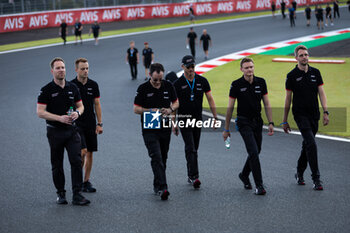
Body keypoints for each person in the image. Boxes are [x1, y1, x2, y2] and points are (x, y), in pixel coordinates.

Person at [37, 57, 90, 205]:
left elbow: (81, 106)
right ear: (52, 71)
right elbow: (40, 112)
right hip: (55, 132)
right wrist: (59, 118)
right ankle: (61, 193)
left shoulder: (73, 87)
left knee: (76, 160)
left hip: (72, 131)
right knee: (57, 164)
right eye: (58, 68)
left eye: (63, 67)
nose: (61, 70)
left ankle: (77, 194)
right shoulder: (46, 90)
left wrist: (77, 113)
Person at [222, 57, 274, 195]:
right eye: (246, 68)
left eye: (251, 67)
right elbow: (230, 108)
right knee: (253, 152)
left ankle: (244, 174)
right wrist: (226, 129)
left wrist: (270, 122)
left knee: (257, 150)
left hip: (257, 121)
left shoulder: (261, 82)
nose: (249, 70)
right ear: (241, 70)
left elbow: (267, 104)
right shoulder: (236, 85)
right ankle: (259, 185)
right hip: (243, 122)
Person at [282, 45, 329, 191]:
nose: (304, 57)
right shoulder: (291, 76)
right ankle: (316, 179)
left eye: (306, 55)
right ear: (296, 58)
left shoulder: (316, 72)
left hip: (314, 114)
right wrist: (285, 120)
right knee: (311, 144)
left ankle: (299, 172)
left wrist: (326, 112)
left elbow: (321, 93)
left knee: (307, 145)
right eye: (301, 55)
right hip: (300, 115)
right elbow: (288, 99)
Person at [133, 63, 179, 200]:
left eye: (160, 79)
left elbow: (176, 103)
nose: (158, 82)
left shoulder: (168, 86)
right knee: (156, 156)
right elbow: (136, 109)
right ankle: (163, 187)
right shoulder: (143, 88)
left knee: (163, 158)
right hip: (149, 128)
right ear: (150, 75)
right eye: (155, 80)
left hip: (165, 127)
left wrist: (170, 111)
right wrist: (149, 110)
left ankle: (157, 184)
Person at [173, 55, 218, 189]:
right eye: (188, 67)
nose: (191, 69)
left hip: (198, 120)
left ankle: (190, 174)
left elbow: (210, 98)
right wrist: (174, 123)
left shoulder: (202, 81)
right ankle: (194, 176)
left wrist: (215, 117)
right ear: (183, 67)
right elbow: (174, 104)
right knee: (191, 147)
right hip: (184, 119)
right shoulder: (177, 84)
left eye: (193, 66)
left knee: (194, 149)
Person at [70, 58, 103, 193]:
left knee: (90, 153)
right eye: (83, 68)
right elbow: (68, 105)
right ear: (76, 69)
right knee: (82, 152)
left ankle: (86, 181)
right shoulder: (71, 85)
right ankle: (77, 180)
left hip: (90, 122)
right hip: (77, 124)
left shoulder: (93, 85)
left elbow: (97, 104)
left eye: (87, 68)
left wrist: (99, 123)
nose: (85, 71)